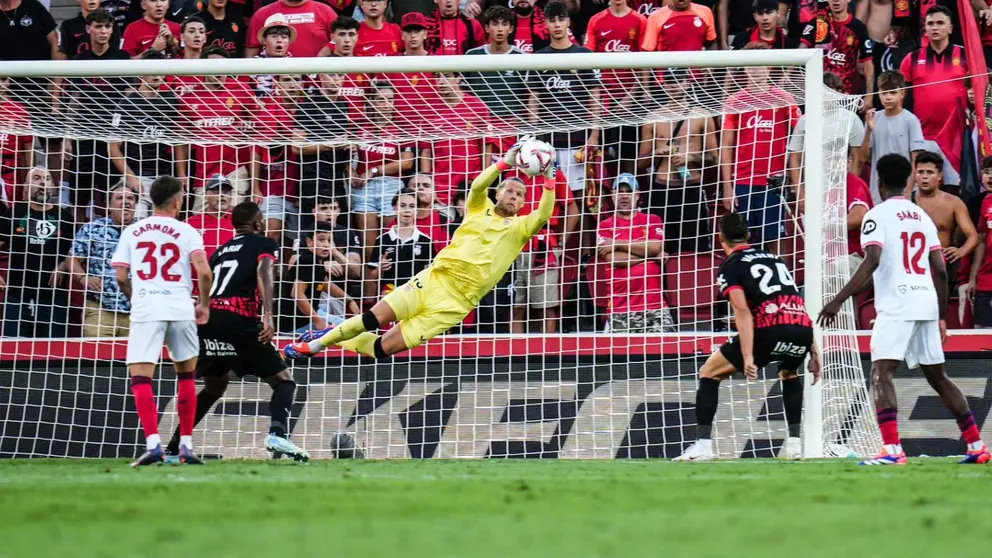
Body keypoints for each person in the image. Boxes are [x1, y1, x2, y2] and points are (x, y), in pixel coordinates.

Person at [284, 139, 557, 360]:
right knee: (371, 319)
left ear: (523, 203)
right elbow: (477, 185)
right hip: (434, 280)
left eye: (519, 195)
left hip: (456, 304)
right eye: (509, 190)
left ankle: (333, 337)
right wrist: (504, 162)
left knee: (381, 349)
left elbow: (544, 213)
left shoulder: (520, 228)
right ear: (497, 193)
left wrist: (549, 177)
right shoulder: (477, 208)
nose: (513, 196)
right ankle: (316, 345)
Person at [819, 154, 991, 465]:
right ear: (908, 180)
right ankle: (977, 445)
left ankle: (893, 450)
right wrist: (939, 316)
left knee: (881, 372)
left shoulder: (877, 216)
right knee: (938, 376)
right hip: (925, 301)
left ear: (880, 182)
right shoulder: (920, 216)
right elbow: (939, 269)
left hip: (898, 304)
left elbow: (871, 259)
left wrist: (838, 299)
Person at [162, 202, 310, 462]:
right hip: (239, 317)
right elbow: (264, 270)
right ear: (257, 222)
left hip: (210, 321)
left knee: (214, 387)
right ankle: (277, 434)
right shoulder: (263, 243)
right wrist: (268, 315)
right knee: (283, 381)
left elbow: (205, 281)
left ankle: (174, 446)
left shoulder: (219, 252)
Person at [675, 212, 820, 461]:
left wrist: (748, 355)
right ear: (749, 235)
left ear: (720, 237)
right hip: (801, 327)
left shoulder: (731, 265)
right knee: (789, 372)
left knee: (709, 372)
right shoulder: (776, 259)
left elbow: (741, 310)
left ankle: (703, 446)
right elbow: (795, 300)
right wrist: (815, 350)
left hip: (770, 328)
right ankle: (795, 444)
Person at [111, 176, 213, 466]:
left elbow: (120, 276)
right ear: (178, 201)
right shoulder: (187, 230)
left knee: (141, 377)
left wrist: (136, 296)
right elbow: (204, 272)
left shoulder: (132, 231)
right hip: (181, 306)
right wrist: (203, 304)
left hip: (147, 308)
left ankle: (154, 443)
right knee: (187, 376)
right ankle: (186, 445)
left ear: (151, 199)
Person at [721, 41, 800, 249]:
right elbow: (726, 147)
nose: (756, 69)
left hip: (773, 182)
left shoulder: (785, 99)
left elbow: (801, 136)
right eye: (751, 64)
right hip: (743, 182)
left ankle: (781, 280)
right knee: (743, 242)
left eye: (760, 64)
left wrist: (796, 180)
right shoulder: (734, 101)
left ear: (770, 67)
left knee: (775, 242)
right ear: (744, 67)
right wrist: (727, 187)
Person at [638, 68, 717, 253]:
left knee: (696, 248)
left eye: (679, 81)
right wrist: (658, 152)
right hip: (662, 189)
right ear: (664, 85)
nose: (674, 86)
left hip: (691, 188)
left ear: (687, 83)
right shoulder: (652, 119)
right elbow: (641, 163)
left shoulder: (701, 116)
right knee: (662, 248)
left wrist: (690, 157)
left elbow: (715, 158)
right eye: (670, 82)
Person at [64, 9, 132, 222]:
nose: (103, 31)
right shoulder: (79, 60)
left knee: (112, 196)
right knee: (78, 199)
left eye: (107, 27)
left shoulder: (122, 59)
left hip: (113, 138)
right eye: (98, 26)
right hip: (84, 137)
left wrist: (126, 132)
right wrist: (67, 136)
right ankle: (77, 239)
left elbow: (130, 97)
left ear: (112, 30)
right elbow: (74, 99)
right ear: (88, 29)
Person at [528, 1, 602, 195]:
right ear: (546, 24)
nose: (558, 24)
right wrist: (534, 137)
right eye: (553, 20)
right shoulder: (538, 58)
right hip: (547, 141)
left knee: (581, 196)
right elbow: (533, 100)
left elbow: (595, 96)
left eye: (561, 19)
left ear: (568, 21)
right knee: (549, 197)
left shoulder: (584, 55)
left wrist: (594, 135)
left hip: (577, 139)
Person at [0, 168, 75, 338]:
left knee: (54, 356)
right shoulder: (13, 214)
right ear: (26, 186)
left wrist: (62, 266)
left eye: (48, 179)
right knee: (13, 353)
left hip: (54, 298)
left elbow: (75, 253)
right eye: (37, 178)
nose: (43, 182)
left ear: (53, 186)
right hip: (18, 297)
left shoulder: (65, 218)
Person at [180, 46, 256, 213]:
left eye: (224, 66)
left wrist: (255, 180)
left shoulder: (242, 90)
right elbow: (181, 140)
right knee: (200, 220)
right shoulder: (189, 99)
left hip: (235, 167)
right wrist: (181, 173)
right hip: (205, 171)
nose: (220, 71)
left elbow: (257, 131)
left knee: (233, 217)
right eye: (215, 66)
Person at [596, 173, 673, 333]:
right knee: (619, 357)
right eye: (620, 191)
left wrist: (616, 243)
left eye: (629, 191)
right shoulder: (604, 225)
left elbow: (655, 247)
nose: (624, 196)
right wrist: (650, 256)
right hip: (620, 308)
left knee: (667, 354)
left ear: (637, 195)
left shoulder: (652, 220)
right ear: (612, 195)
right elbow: (615, 259)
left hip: (655, 306)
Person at [899, 5, 969, 177]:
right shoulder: (911, 59)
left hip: (956, 137)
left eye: (940, 23)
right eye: (930, 24)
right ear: (925, 29)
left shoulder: (966, 55)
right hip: (923, 136)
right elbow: (900, 96)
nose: (935, 27)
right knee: (923, 190)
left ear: (951, 28)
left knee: (954, 189)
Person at [109, 66, 185, 218]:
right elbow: (113, 147)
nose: (156, 74)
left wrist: (182, 174)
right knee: (137, 226)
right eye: (151, 70)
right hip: (138, 177)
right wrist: (130, 176)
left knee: (163, 228)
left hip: (164, 178)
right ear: (141, 74)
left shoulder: (171, 101)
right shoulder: (126, 104)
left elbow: (179, 139)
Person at [352, 82, 416, 259]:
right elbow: (346, 156)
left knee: (391, 244)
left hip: (391, 187)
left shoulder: (402, 128)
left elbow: (407, 163)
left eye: (390, 99)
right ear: (371, 102)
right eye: (381, 99)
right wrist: (350, 172)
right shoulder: (359, 126)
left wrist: (374, 170)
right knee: (369, 249)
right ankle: (369, 284)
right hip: (362, 189)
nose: (386, 104)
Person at [67, 183, 137, 337]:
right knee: (96, 359)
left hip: (137, 312)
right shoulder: (92, 228)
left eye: (130, 198)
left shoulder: (144, 230)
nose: (126, 202)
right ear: (109, 205)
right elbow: (72, 259)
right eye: (119, 198)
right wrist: (84, 278)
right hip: (100, 310)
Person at [585, 0, 646, 176]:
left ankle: (632, 194)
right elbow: (588, 61)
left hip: (630, 99)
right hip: (601, 99)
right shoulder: (596, 20)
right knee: (597, 155)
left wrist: (631, 96)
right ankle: (598, 199)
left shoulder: (639, 20)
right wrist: (597, 96)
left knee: (628, 154)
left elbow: (645, 63)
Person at [788, 72, 865, 209]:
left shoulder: (851, 119)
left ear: (839, 92)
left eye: (832, 90)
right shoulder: (806, 120)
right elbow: (795, 158)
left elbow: (857, 159)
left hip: (840, 189)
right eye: (824, 91)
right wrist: (800, 194)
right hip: (812, 189)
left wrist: (849, 189)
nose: (827, 95)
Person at [421, 72, 492, 210]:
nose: (440, 81)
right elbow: (426, 152)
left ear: (459, 78)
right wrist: (428, 186)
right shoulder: (429, 111)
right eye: (437, 77)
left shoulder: (478, 107)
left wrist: (483, 181)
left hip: (470, 186)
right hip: (440, 189)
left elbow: (486, 147)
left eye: (446, 76)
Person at [911, 151, 978, 292]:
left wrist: (961, 251)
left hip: (942, 269)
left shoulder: (954, 203)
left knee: (938, 312)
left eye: (930, 172)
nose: (924, 177)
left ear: (940, 176)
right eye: (920, 172)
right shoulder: (905, 202)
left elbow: (973, 236)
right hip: (910, 270)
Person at [860, 70, 925, 203]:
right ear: (878, 93)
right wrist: (868, 131)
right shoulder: (873, 118)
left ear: (902, 93)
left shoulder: (910, 120)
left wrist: (908, 190)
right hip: (878, 192)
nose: (888, 97)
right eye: (884, 93)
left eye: (893, 93)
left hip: (904, 190)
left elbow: (916, 160)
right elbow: (863, 157)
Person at [281, 221, 359, 334]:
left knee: (350, 326)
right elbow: (297, 294)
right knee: (350, 331)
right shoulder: (308, 260)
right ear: (309, 242)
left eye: (329, 240)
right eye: (321, 240)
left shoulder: (317, 261)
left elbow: (325, 283)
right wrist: (318, 321)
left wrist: (348, 300)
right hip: (295, 324)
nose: (326, 245)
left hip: (310, 317)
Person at [292, 71, 351, 209]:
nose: (336, 79)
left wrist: (349, 146)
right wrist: (327, 146)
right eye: (332, 74)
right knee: (313, 228)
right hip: (314, 179)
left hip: (337, 179)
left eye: (340, 75)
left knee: (341, 226)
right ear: (322, 76)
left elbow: (342, 138)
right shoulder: (309, 105)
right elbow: (296, 147)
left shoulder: (343, 105)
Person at [801, 0, 873, 108]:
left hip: (847, 95)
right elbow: (800, 52)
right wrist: (787, 75)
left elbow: (868, 65)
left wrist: (870, 96)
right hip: (819, 94)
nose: (835, 1)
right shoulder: (817, 23)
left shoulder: (858, 28)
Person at [367, 189, 435, 300]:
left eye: (412, 206)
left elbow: (430, 275)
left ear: (417, 210)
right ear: (394, 208)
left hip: (416, 295)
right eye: (402, 205)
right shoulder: (383, 240)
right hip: (389, 294)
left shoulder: (425, 241)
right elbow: (373, 277)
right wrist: (380, 268)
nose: (407, 210)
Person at [464, 6, 528, 123]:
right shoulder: (472, 56)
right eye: (495, 24)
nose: (499, 29)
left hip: (510, 125)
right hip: (479, 124)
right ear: (487, 28)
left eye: (504, 24)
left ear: (511, 29)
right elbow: (463, 92)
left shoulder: (521, 58)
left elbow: (529, 94)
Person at [245, 0, 337, 57]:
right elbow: (251, 54)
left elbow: (341, 43)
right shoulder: (262, 14)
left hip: (319, 82)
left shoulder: (326, 11)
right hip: (274, 83)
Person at [0, 76, 33, 204]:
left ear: (9, 82)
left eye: (3, 79)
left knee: (11, 215)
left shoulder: (20, 110)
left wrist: (28, 180)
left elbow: (29, 148)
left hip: (11, 172)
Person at [186, 174, 235, 258]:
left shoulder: (240, 222)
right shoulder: (190, 224)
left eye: (226, 191)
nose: (221, 195)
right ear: (205, 195)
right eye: (216, 190)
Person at [641, 0, 716, 53]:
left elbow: (711, 43)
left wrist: (710, 65)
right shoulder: (656, 16)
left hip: (695, 72)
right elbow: (648, 50)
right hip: (668, 72)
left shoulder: (705, 12)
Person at [968, 165, 992, 328]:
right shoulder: (986, 202)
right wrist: (972, 277)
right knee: (983, 335)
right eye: (987, 172)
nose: (990, 177)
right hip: (986, 281)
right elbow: (981, 240)